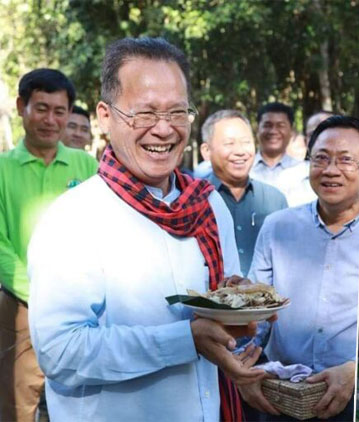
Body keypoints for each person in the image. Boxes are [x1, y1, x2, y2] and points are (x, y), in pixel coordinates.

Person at [27, 37, 268, 422]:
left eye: (176, 113)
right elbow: (60, 351)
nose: (163, 130)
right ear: (105, 117)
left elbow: (218, 308)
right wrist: (186, 340)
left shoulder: (207, 204)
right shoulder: (74, 218)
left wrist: (240, 312)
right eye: (144, 114)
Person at [240, 116, 359, 421]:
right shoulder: (278, 227)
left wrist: (356, 369)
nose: (331, 170)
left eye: (346, 160)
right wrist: (245, 369)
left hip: (353, 395)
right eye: (321, 158)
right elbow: (258, 313)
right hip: (283, 394)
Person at [0, 68, 98, 422]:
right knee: (17, 405)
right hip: (19, 308)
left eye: (60, 111)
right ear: (21, 107)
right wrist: (36, 291)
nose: (51, 120)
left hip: (83, 307)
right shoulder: (2, 170)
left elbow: (101, 230)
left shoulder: (87, 166)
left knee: (82, 403)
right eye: (41, 108)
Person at [200, 110, 288, 275]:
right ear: (206, 151)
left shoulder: (275, 200)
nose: (240, 151)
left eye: (246, 142)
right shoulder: (194, 200)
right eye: (229, 143)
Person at [251, 102, 316, 206]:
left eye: (280, 125)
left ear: (291, 130)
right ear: (257, 129)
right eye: (267, 125)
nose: (273, 131)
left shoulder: (305, 171)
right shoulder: (244, 169)